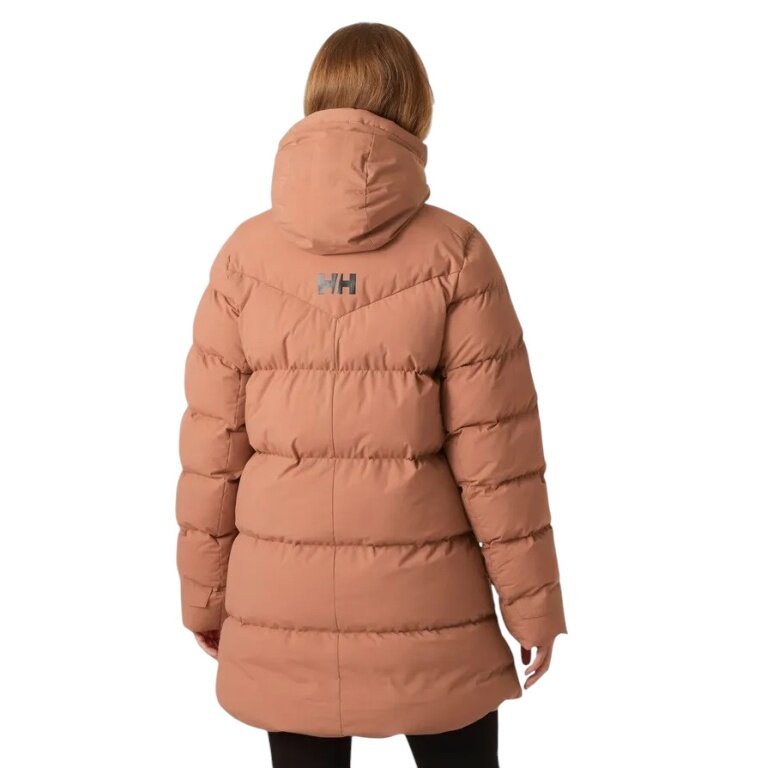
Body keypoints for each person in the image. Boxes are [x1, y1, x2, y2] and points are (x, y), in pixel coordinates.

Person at [175, 21, 567, 768]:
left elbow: (212, 454)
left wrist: (203, 597)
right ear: (415, 106)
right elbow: (498, 459)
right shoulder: (456, 253)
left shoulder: (243, 259)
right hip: (431, 614)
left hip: (281, 606)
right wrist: (533, 604)